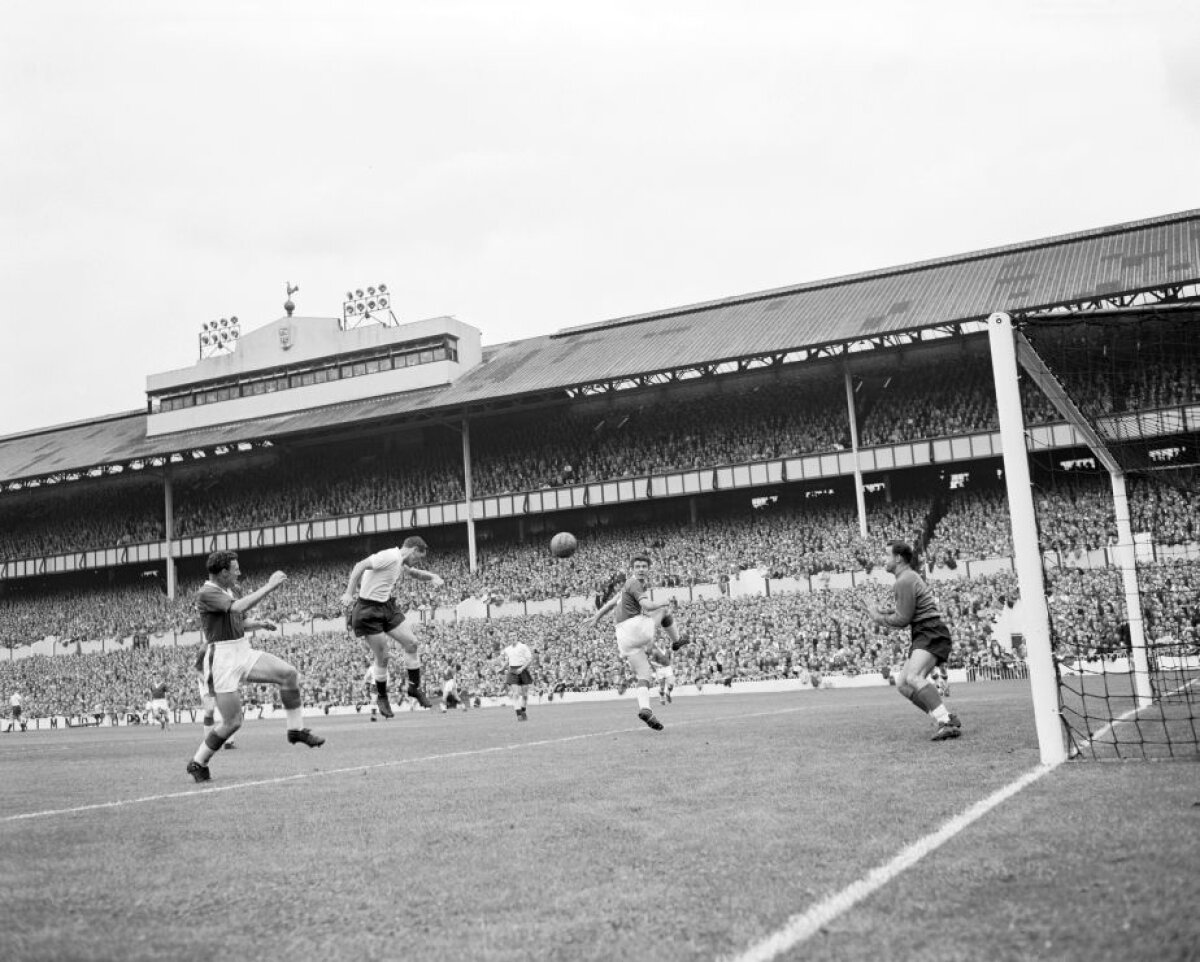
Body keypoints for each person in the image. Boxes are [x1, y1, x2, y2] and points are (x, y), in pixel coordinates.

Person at [187, 551, 323, 783]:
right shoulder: (206, 592)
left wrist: (259, 623)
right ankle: (198, 762)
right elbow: (237, 608)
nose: (239, 572)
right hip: (221, 658)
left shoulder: (233, 589)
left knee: (289, 674)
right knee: (233, 722)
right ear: (222, 573)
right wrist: (269, 586)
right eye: (235, 569)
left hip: (242, 649)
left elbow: (238, 620)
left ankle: (295, 730)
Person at [865, 541, 962, 741]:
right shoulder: (908, 577)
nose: (883, 559)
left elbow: (903, 619)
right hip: (925, 631)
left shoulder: (904, 580)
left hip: (930, 631)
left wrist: (877, 617)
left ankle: (945, 721)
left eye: (886, 555)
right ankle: (943, 717)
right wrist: (884, 611)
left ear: (898, 558)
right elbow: (907, 611)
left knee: (913, 677)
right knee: (903, 684)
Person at [341, 536, 444, 719]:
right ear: (413, 550)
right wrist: (349, 593)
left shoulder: (400, 562)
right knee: (384, 657)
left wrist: (433, 576)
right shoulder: (390, 556)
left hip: (386, 606)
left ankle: (414, 687)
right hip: (367, 610)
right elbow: (359, 566)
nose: (416, 561)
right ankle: (382, 697)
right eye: (418, 557)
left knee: (412, 643)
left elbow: (414, 573)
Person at [584, 553, 687, 731]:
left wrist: (596, 617)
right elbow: (647, 606)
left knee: (644, 674)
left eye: (644, 566)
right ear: (632, 569)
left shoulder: (626, 587)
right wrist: (665, 601)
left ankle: (645, 709)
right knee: (663, 610)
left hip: (623, 637)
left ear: (648, 569)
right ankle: (677, 640)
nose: (641, 569)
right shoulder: (634, 583)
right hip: (634, 627)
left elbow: (610, 605)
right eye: (638, 566)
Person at [502, 639, 533, 721]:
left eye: (514, 635)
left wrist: (522, 668)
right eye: (511, 636)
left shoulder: (523, 646)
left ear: (516, 637)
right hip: (512, 671)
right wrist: (502, 668)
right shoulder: (507, 649)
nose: (512, 637)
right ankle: (518, 715)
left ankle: (523, 711)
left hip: (523, 670)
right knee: (515, 693)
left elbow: (529, 659)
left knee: (525, 695)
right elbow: (508, 660)